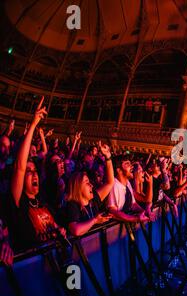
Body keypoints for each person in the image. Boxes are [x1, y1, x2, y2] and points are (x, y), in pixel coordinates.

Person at [9, 97, 67, 251]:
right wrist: (34, 124)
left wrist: (59, 230)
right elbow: (19, 167)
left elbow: (54, 226)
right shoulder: (18, 202)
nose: (34, 174)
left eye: (35, 171)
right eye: (29, 172)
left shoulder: (43, 202)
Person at [65, 141, 114, 237]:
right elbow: (76, 230)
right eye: (87, 183)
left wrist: (108, 158)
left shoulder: (93, 200)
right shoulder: (72, 205)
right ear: (78, 187)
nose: (91, 185)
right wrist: (95, 220)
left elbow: (110, 183)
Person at [107, 154, 150, 223]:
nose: (131, 166)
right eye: (127, 164)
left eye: (130, 164)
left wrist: (143, 212)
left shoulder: (127, 183)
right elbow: (113, 211)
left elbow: (133, 204)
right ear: (119, 170)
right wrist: (135, 219)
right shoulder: (114, 184)